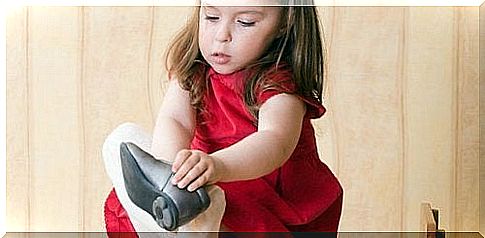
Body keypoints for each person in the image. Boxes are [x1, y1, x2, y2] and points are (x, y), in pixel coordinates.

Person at [104, 0, 343, 234]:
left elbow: (275, 141)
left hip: (256, 199)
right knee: (121, 141)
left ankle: (194, 218)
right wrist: (171, 174)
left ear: (284, 23)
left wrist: (218, 166)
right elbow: (174, 120)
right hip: (199, 184)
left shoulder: (278, 85)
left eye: (245, 22)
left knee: (212, 204)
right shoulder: (194, 68)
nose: (222, 35)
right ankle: (182, 212)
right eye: (211, 16)